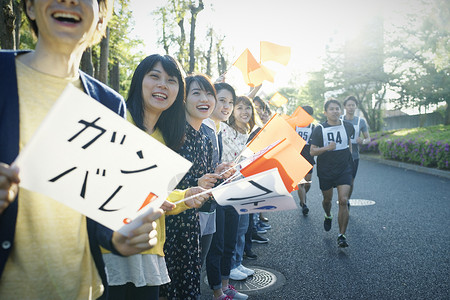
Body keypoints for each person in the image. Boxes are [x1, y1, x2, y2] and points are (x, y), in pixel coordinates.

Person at [0, 1, 163, 299]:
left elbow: (102, 204)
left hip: (85, 290)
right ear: (31, 8)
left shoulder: (109, 103)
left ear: (101, 17)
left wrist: (118, 236)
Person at [102, 54, 208, 300]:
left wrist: (185, 197)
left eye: (171, 80)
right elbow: (97, 181)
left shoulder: (166, 138)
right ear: (139, 80)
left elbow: (155, 194)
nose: (162, 85)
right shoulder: (117, 120)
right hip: (109, 245)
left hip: (149, 249)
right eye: (155, 76)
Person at [161, 74, 231, 300]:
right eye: (197, 93)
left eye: (209, 94)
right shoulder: (173, 132)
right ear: (183, 98)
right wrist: (196, 184)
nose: (205, 99)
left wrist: (218, 173)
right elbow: (161, 183)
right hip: (171, 226)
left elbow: (203, 177)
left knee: (188, 285)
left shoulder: (205, 135)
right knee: (169, 287)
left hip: (193, 225)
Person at [205, 82, 247, 300]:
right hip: (211, 195)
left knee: (229, 240)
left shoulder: (218, 127)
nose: (227, 106)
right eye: (222, 100)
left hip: (231, 188)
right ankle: (217, 291)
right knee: (217, 245)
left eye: (231, 102)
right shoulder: (204, 126)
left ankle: (225, 285)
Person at [221, 96, 257, 283]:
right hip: (231, 185)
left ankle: (238, 261)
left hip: (247, 185)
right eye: (240, 108)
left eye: (248, 108)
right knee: (233, 230)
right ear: (233, 111)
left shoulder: (251, 133)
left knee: (243, 227)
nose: (245, 112)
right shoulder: (226, 131)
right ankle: (231, 266)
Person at [310, 99, 355, 248]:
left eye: (337, 109)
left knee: (343, 200)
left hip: (344, 168)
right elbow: (312, 151)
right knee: (327, 200)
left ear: (340, 111)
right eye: (331, 109)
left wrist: (350, 160)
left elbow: (349, 143)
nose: (335, 111)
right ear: (325, 112)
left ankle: (341, 235)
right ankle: (327, 215)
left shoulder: (347, 126)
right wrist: (327, 148)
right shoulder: (319, 129)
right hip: (326, 170)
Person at [342, 96, 370, 201]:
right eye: (348, 105)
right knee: (340, 180)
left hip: (354, 156)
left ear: (356, 107)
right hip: (340, 155)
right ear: (345, 107)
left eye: (353, 105)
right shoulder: (339, 120)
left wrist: (362, 141)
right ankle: (342, 198)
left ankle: (347, 200)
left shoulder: (360, 122)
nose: (351, 107)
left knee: (351, 181)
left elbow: (368, 139)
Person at [295, 106, 316, 216]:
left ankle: (302, 197)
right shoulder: (295, 126)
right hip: (297, 155)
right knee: (301, 183)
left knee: (307, 183)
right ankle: (304, 204)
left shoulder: (313, 127)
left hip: (309, 155)